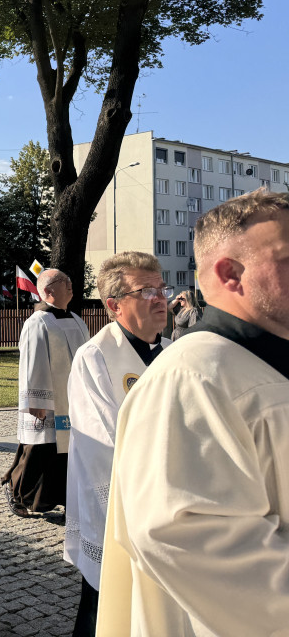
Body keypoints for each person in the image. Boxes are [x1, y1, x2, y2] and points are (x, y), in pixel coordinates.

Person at [98, 189, 289, 636]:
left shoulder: (259, 362)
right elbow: (187, 535)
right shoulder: (194, 377)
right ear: (231, 274)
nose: (158, 299)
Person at [64, 253, 171, 636]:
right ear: (114, 306)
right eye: (146, 291)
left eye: (161, 288)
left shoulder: (174, 351)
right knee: (107, 606)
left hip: (172, 507)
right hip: (121, 506)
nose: (161, 298)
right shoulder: (95, 358)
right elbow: (104, 442)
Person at [2, 269, 90, 518]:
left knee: (67, 453)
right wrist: (36, 401)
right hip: (48, 402)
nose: (71, 285)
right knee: (39, 451)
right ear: (49, 291)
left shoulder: (76, 319)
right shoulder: (37, 322)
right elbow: (32, 362)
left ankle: (65, 499)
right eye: (65, 281)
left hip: (73, 400)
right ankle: (16, 491)